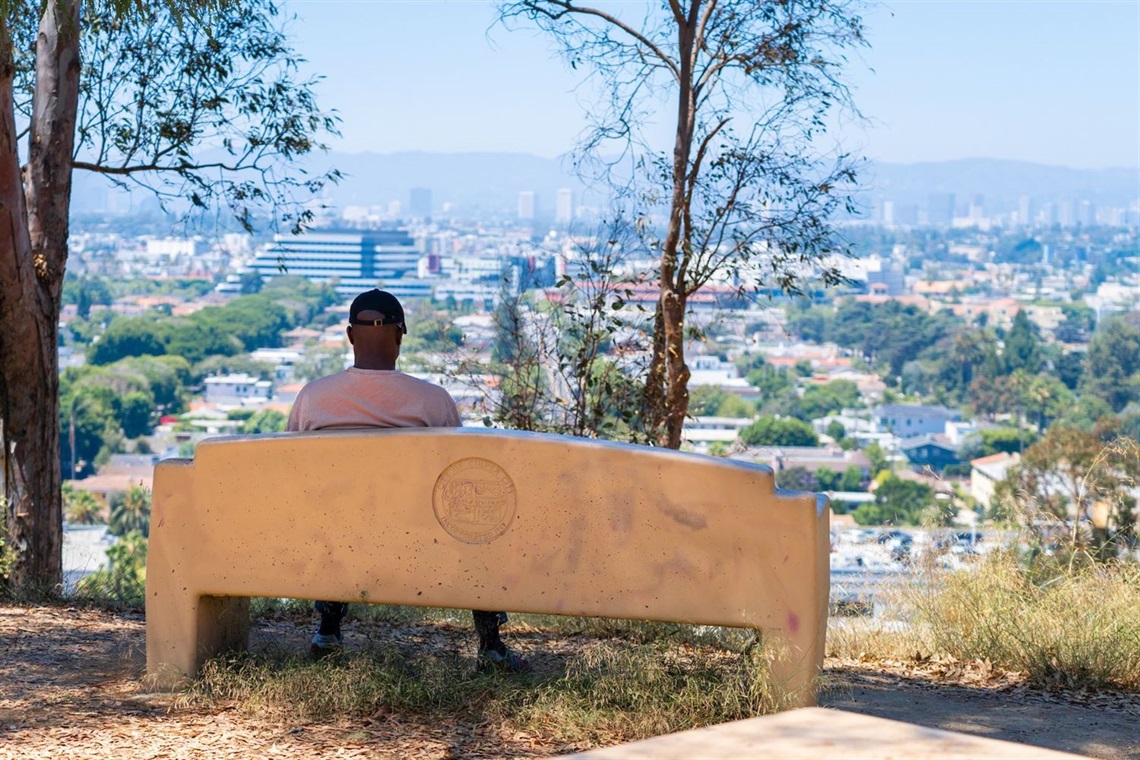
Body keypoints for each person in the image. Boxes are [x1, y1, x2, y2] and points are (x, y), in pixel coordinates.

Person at [286, 288, 530, 673]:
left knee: (335, 513)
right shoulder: (432, 401)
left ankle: (328, 631)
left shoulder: (313, 398)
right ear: (401, 335)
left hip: (336, 541)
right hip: (425, 545)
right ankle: (491, 648)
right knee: (478, 521)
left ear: (350, 336)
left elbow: (293, 474)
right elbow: (463, 477)